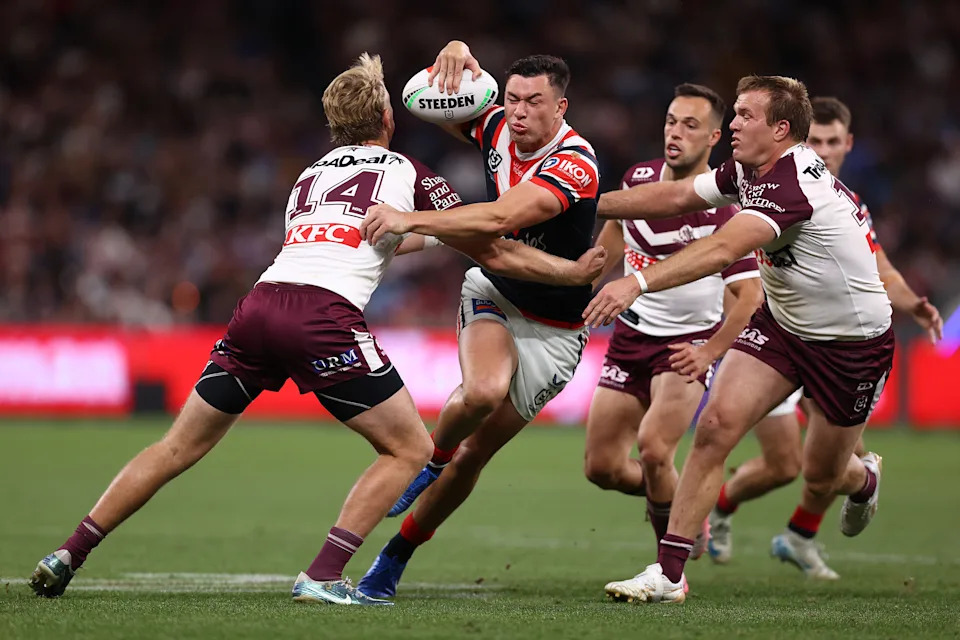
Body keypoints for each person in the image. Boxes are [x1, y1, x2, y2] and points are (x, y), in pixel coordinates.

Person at [28, 53, 605, 605]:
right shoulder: (408, 172)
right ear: (387, 119)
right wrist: (571, 271)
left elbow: (377, 237)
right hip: (322, 319)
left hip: (257, 307)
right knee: (408, 449)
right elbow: (494, 252)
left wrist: (419, 233)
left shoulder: (309, 176)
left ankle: (68, 553)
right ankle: (324, 576)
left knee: (176, 445)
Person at [586, 75, 893, 604]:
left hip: (851, 344)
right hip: (783, 326)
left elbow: (723, 247)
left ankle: (863, 482)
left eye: (745, 116)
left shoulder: (790, 185)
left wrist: (635, 281)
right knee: (714, 429)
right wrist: (584, 202)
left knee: (821, 475)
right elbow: (680, 194)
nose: (732, 124)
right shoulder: (750, 171)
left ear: (780, 129)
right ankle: (669, 573)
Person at [355, 40, 601, 598]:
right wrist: (458, 53)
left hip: (557, 329)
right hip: (495, 291)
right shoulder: (495, 127)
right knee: (483, 391)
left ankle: (396, 555)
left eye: (534, 102)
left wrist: (407, 218)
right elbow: (429, 99)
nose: (518, 112)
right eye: (512, 99)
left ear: (561, 107)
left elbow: (499, 216)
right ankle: (427, 461)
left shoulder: (575, 163)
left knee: (477, 454)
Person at [707, 97, 943, 579]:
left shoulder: (847, 206)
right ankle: (720, 512)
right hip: (771, 334)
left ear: (848, 145)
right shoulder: (760, 184)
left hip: (830, 341)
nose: (825, 149)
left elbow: (881, 272)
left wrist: (911, 302)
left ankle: (800, 534)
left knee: (822, 466)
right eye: (817, 140)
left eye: (834, 142)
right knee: (779, 463)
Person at [583, 83, 764, 582]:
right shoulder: (638, 179)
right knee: (600, 467)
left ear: (712, 139)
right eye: (670, 121)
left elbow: (750, 298)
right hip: (629, 336)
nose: (674, 133)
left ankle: (667, 567)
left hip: (685, 346)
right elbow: (609, 247)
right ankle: (686, 499)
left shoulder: (727, 210)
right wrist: (580, 284)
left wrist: (710, 352)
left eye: (689, 125)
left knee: (654, 448)